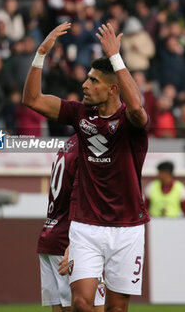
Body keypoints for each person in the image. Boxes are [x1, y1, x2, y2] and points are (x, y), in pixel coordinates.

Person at [23, 22, 149, 312]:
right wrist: (40, 54)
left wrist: (116, 58)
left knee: (116, 308)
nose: (85, 85)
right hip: (85, 225)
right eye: (87, 79)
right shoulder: (80, 115)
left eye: (93, 81)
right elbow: (32, 99)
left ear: (112, 88)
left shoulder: (132, 123)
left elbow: (137, 107)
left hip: (127, 227)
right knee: (81, 303)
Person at [37, 134, 105, 312]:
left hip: (50, 235)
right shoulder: (90, 146)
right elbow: (80, 197)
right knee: (92, 306)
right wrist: (73, 243)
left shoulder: (68, 144)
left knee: (60, 306)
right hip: (70, 238)